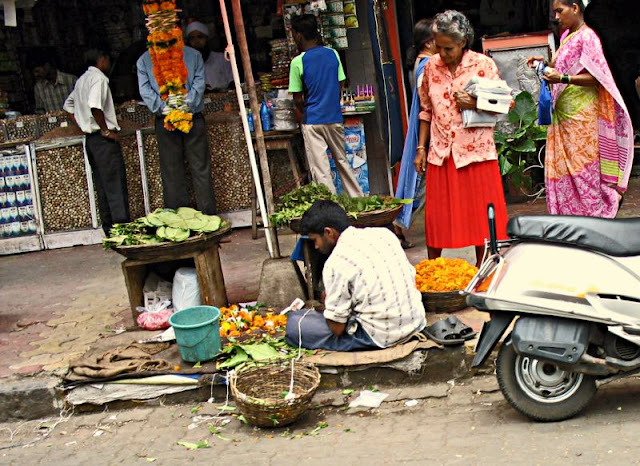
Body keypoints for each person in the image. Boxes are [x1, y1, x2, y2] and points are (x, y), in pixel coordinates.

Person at [413, 10, 509, 267]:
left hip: (476, 152)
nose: (443, 54)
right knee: (438, 218)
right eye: (439, 47)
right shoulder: (431, 67)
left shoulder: (483, 65)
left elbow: (504, 103)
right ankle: (433, 269)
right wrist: (421, 148)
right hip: (441, 152)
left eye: (449, 48)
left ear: (463, 42)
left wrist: (474, 101)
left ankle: (484, 269)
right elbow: (426, 110)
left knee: (481, 217)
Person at [527, 0, 633, 218]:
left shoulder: (588, 37)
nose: (555, 17)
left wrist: (563, 77)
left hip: (582, 122)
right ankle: (569, 221)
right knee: (565, 174)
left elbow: (597, 77)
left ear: (575, 8)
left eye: (560, 11)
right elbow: (560, 69)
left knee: (584, 174)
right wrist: (544, 65)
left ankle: (593, 218)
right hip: (563, 120)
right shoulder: (567, 37)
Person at [285, 200, 426, 351]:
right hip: (415, 323)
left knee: (295, 324)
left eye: (315, 240)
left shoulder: (336, 261)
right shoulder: (384, 234)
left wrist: (328, 308)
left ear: (328, 232)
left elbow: (337, 328)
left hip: (380, 336)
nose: (316, 247)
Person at [137, 42, 216, 215]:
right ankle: (207, 215)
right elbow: (199, 84)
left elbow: (146, 91)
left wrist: (165, 107)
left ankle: (179, 219)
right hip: (183, 116)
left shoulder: (144, 60)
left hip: (174, 117)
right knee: (198, 167)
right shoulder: (193, 54)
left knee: (173, 171)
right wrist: (184, 105)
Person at [288, 14, 363, 197]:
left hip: (312, 120)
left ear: (298, 35)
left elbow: (298, 99)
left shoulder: (298, 62)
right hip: (334, 117)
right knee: (342, 161)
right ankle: (357, 199)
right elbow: (340, 84)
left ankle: (331, 206)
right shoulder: (333, 54)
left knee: (321, 169)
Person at [63, 49, 129, 236]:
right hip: (101, 140)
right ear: (102, 59)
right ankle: (122, 230)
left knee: (102, 185)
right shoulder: (99, 78)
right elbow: (95, 105)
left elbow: (68, 106)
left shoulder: (81, 80)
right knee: (115, 185)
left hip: (91, 140)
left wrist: (83, 124)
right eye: (107, 59)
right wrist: (105, 129)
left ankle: (109, 229)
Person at [393, 18, 437, 249]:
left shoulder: (420, 63)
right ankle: (398, 222)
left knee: (419, 180)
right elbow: (426, 104)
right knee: (419, 182)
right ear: (430, 41)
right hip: (427, 130)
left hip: (423, 129)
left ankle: (399, 221)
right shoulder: (427, 65)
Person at [184, 21, 234, 92]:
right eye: (192, 38)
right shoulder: (186, 65)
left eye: (200, 37)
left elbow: (233, 82)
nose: (196, 41)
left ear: (206, 38)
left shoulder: (221, 58)